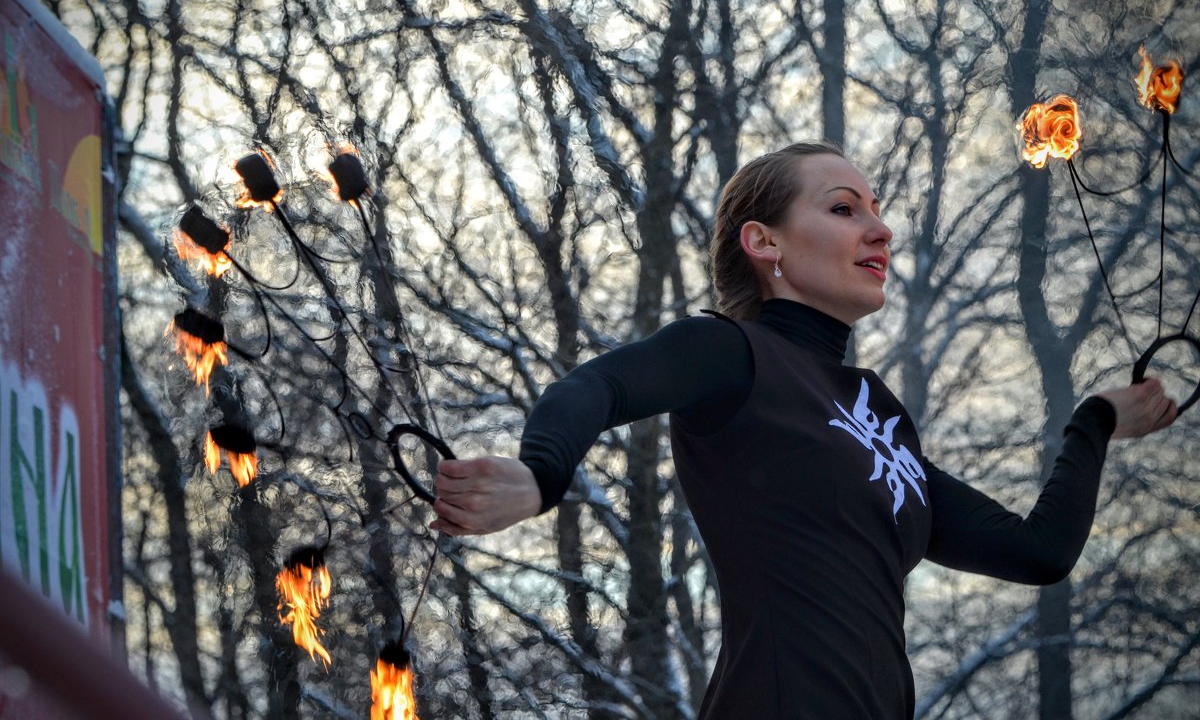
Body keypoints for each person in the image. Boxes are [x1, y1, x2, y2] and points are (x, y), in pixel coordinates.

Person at [429, 141, 1177, 718]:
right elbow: (598, 384)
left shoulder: (877, 411)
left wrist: (1096, 420)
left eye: (877, 210)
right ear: (766, 243)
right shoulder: (731, 351)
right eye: (845, 208)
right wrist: (540, 475)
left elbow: (1038, 550)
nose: (879, 229)